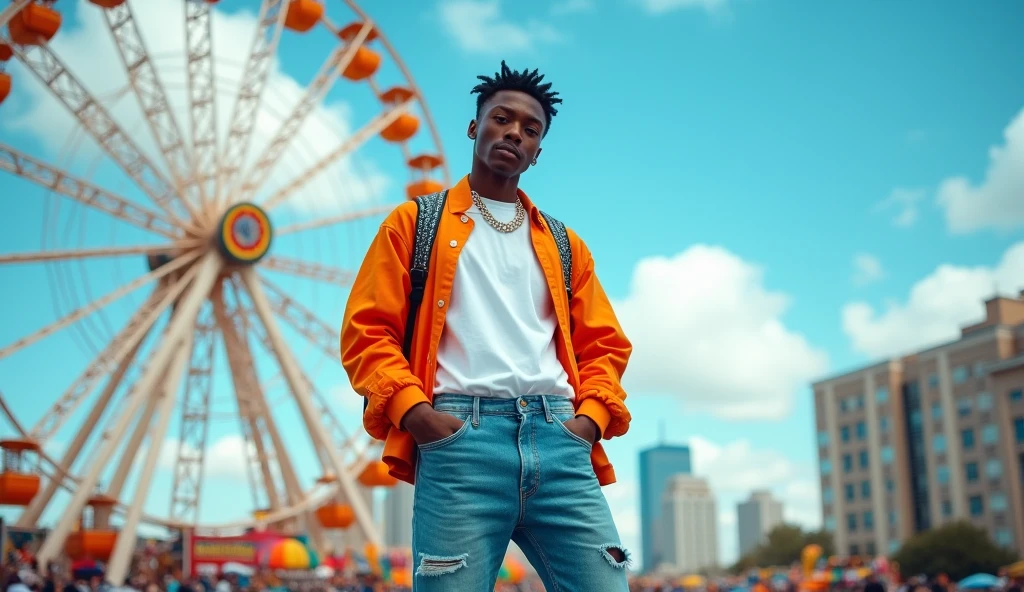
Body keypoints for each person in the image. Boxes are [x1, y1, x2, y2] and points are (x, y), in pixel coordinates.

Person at [341, 60, 633, 591]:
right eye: (502, 118)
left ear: (538, 152)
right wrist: (418, 416)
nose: (514, 132)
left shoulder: (566, 247)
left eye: (530, 129)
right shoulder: (414, 224)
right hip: (459, 443)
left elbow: (605, 347)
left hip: (561, 441)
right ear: (475, 127)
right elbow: (368, 331)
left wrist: (588, 420)